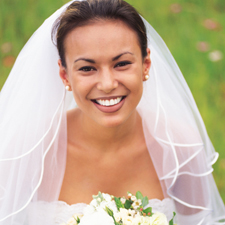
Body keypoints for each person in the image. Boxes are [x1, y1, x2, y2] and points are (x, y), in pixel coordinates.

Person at [0, 0, 224, 224]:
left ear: (146, 64)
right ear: (65, 75)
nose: (107, 84)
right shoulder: (29, 150)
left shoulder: (179, 147)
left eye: (122, 64)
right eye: (87, 68)